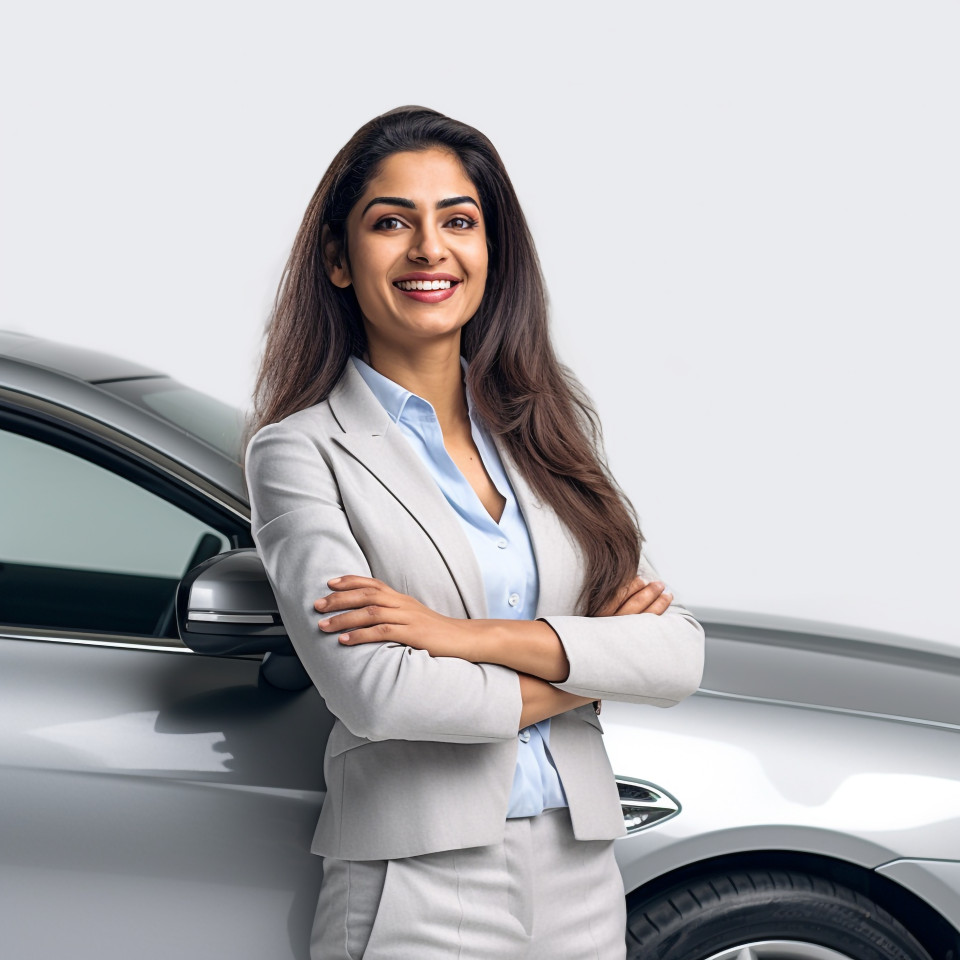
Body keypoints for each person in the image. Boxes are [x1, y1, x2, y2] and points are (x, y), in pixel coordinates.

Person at [245, 105, 705, 960]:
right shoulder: (300, 453)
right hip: (416, 881)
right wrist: (592, 669)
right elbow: (382, 696)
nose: (430, 249)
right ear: (341, 261)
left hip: (581, 868)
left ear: (491, 253)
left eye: (458, 220)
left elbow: (677, 654)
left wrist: (461, 638)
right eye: (392, 223)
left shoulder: (547, 432)